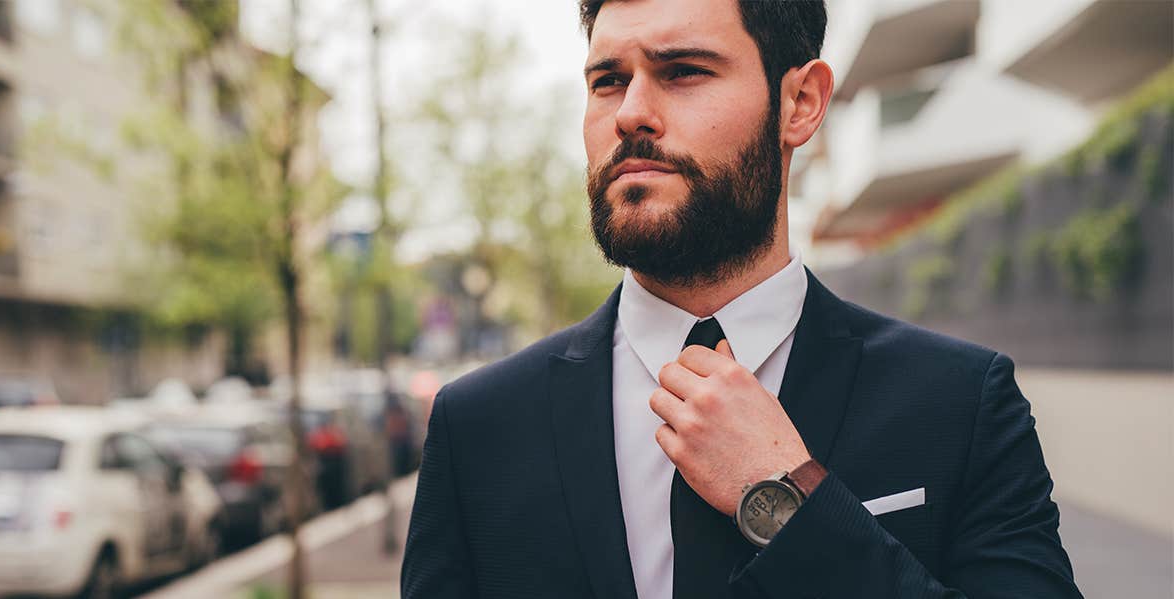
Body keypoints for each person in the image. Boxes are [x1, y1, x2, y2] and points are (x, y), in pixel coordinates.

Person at [401, 0, 1082, 597]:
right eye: (608, 81)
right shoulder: (478, 429)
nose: (632, 112)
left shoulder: (962, 404)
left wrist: (786, 495)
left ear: (800, 103)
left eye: (683, 71)